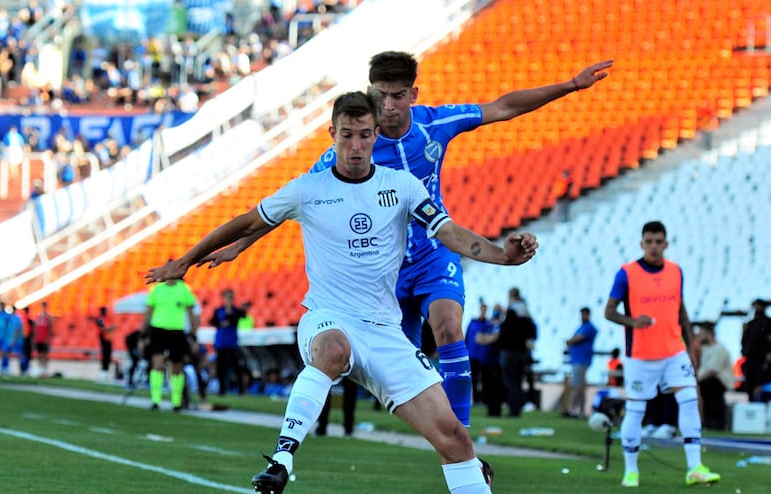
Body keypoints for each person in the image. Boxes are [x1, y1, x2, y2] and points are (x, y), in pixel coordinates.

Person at [145, 91, 557, 494]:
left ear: (375, 136)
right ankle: (281, 460)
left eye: (365, 135)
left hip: (384, 332)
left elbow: (448, 234)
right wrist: (184, 261)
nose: (357, 145)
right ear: (332, 135)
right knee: (333, 350)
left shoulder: (402, 186)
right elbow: (245, 221)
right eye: (347, 135)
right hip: (326, 317)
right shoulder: (308, 189)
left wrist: (502, 254)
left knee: (455, 439)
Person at [205, 51, 611, 435]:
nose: (389, 104)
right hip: (384, 274)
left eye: (398, 95)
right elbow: (295, 200)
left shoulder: (436, 124)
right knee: (401, 377)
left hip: (435, 254)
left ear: (413, 94)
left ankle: (464, 438)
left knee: (450, 328)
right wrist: (242, 245)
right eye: (380, 94)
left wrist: (571, 85)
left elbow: (503, 107)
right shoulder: (350, 149)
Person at [604, 221, 721, 487]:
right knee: (636, 409)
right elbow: (609, 311)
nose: (654, 246)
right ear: (642, 244)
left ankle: (695, 467)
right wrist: (634, 322)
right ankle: (631, 471)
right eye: (649, 241)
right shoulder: (626, 273)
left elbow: (681, 311)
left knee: (690, 400)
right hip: (640, 355)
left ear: (666, 243)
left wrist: (691, 346)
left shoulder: (676, 271)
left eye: (659, 241)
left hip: (673, 350)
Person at [141, 278, 200, 411]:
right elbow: (149, 311)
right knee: (158, 364)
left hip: (176, 331)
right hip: (158, 329)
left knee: (177, 366)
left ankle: (176, 402)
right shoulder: (157, 289)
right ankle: (155, 400)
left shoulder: (184, 289)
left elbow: (191, 312)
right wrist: (143, 333)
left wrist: (193, 335)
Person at [209, 288, 247, 395]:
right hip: (221, 343)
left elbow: (240, 316)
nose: (229, 299)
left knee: (236, 367)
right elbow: (213, 321)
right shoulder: (218, 310)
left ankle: (240, 389)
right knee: (221, 367)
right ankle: (222, 389)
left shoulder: (236, 311)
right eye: (227, 297)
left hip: (232, 343)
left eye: (231, 297)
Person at [696, 323, 733, 431]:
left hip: (720, 380)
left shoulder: (719, 348)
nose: (699, 337)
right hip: (708, 379)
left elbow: (712, 370)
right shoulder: (705, 348)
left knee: (701, 387)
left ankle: (711, 422)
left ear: (709, 334)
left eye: (701, 334)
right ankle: (704, 421)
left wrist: (697, 382)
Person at [564, 306, 598, 418]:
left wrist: (569, 341)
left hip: (582, 360)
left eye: (584, 314)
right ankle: (580, 411)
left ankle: (572, 409)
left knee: (577, 385)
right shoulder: (581, 327)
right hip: (577, 360)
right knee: (580, 386)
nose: (582, 316)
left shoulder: (589, 328)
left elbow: (576, 339)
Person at [740, 298, 769, 401]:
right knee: (750, 387)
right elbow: (744, 342)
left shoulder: (768, 323)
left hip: (761, 360)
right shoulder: (750, 324)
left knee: (760, 386)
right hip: (749, 359)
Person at [464, 302, 490, 405]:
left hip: (483, 357)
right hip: (473, 355)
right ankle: (476, 399)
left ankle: (483, 399)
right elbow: (467, 338)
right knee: (474, 378)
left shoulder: (488, 325)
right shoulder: (473, 323)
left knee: (483, 378)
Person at [33, 301, 54, 377]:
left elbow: (50, 329)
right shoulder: (38, 317)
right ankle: (40, 369)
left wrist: (48, 339)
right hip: (38, 339)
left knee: (44, 355)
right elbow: (36, 329)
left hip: (45, 339)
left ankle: (44, 370)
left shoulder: (49, 317)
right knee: (39, 355)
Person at [95, 306, 115, 381]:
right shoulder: (99, 319)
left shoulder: (107, 318)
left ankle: (105, 371)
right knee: (105, 354)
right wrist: (110, 328)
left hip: (108, 338)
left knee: (108, 354)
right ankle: (103, 372)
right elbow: (103, 328)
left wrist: (110, 328)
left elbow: (112, 326)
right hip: (103, 338)